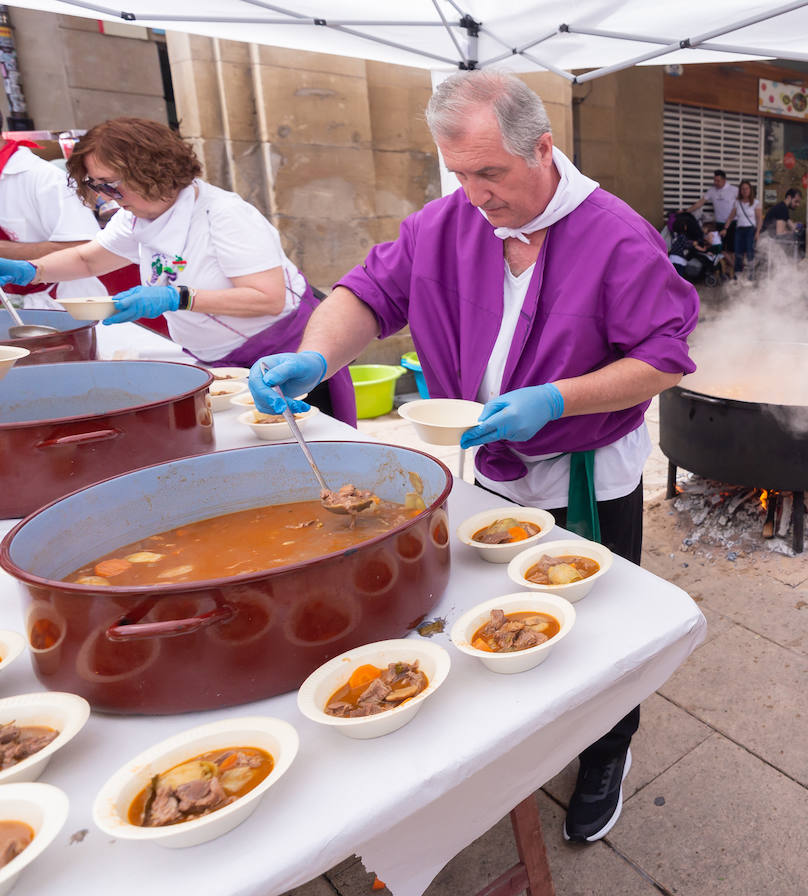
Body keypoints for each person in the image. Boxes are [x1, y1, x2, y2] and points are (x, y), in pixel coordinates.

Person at [247, 71, 698, 844]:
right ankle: (525, 737)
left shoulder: (617, 234)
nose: (476, 194)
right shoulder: (444, 223)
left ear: (543, 148)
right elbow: (366, 295)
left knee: (603, 633)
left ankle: (606, 751)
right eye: (460, 175)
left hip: (586, 471)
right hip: (488, 469)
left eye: (492, 173)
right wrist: (315, 359)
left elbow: (664, 355)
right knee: (499, 616)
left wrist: (555, 398)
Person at [0, 118, 355, 424]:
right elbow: (88, 259)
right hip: (222, 360)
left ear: (153, 170)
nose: (107, 195)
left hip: (286, 358)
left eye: (111, 183)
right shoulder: (135, 217)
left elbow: (268, 298)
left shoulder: (224, 214)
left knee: (315, 448)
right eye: (96, 185)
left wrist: (177, 297)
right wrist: (31, 271)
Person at [0, 138, 109, 310]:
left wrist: (7, 253)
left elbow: (86, 248)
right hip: (10, 304)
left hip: (63, 304)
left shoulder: (45, 178)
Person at [688, 169, 738, 275]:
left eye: (718, 180)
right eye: (714, 180)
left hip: (733, 223)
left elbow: (740, 206)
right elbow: (700, 203)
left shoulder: (734, 190)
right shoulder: (712, 190)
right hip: (719, 224)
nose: (715, 183)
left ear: (724, 180)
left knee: (732, 250)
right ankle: (732, 269)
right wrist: (686, 212)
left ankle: (734, 272)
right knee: (722, 249)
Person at [728, 179, 762, 278]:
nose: (744, 191)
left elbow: (759, 219)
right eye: (742, 189)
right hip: (739, 230)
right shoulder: (737, 203)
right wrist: (725, 228)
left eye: (746, 188)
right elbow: (731, 217)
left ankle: (751, 276)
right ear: (740, 191)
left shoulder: (756, 202)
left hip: (750, 230)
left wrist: (758, 232)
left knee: (750, 253)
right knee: (738, 253)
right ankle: (737, 276)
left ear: (750, 190)